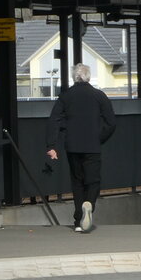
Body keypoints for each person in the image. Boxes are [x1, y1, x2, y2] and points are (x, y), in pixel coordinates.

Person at [46, 64, 116, 234]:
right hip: (92, 146)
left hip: (73, 146)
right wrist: (99, 138)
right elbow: (111, 122)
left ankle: (78, 221)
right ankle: (89, 205)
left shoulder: (66, 96)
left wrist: (52, 145)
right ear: (88, 77)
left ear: (74, 77)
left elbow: (54, 119)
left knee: (77, 182)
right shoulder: (99, 96)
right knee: (93, 181)